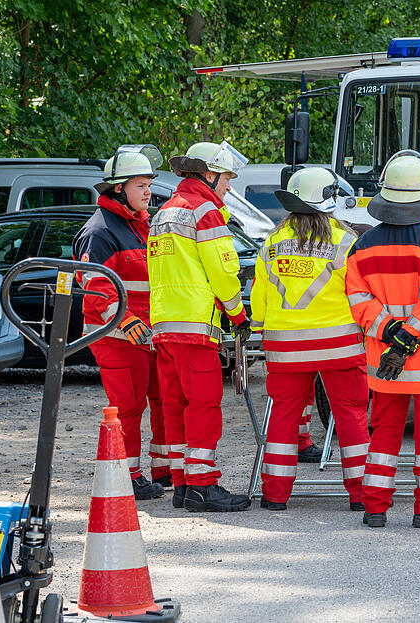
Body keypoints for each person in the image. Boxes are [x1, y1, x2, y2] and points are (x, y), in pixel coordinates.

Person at [345, 151, 420, 529]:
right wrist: (408, 339)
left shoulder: (360, 247)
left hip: (384, 363)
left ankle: (375, 508)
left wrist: (389, 334)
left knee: (383, 434)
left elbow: (359, 302)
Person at [250, 167, 369, 511]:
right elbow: (358, 293)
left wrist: (261, 330)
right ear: (329, 200)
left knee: (283, 418)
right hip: (339, 346)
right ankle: (362, 495)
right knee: (350, 416)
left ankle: (274, 495)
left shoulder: (272, 242)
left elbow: (260, 297)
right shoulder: (345, 241)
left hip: (285, 349)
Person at [148, 141, 251, 512]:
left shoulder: (164, 211)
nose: (227, 186)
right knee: (204, 405)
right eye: (225, 178)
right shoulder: (205, 210)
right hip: (195, 325)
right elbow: (223, 272)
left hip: (164, 325)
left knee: (174, 405)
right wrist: (238, 314)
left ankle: (181, 483)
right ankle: (203, 485)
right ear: (209, 174)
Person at [73, 145, 170, 500]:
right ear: (118, 188)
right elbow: (96, 287)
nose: (148, 191)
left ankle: (163, 468)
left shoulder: (141, 226)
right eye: (141, 185)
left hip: (146, 333)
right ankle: (128, 475)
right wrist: (127, 321)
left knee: (161, 400)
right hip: (117, 335)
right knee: (128, 407)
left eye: (148, 185)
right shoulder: (100, 231)